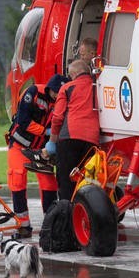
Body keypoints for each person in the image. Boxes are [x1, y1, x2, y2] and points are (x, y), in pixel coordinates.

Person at [7, 73, 69, 238]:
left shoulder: (63, 102)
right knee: (17, 180)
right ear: (51, 89)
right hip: (19, 146)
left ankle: (50, 224)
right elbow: (23, 121)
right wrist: (45, 131)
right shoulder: (33, 92)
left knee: (49, 184)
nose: (58, 96)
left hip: (43, 149)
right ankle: (23, 226)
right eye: (57, 92)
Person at [50, 58, 100, 203]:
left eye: (71, 75)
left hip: (69, 138)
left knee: (66, 181)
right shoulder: (98, 86)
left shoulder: (67, 88)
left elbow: (57, 117)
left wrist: (52, 142)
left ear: (75, 73)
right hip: (92, 140)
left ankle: (67, 215)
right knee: (89, 181)